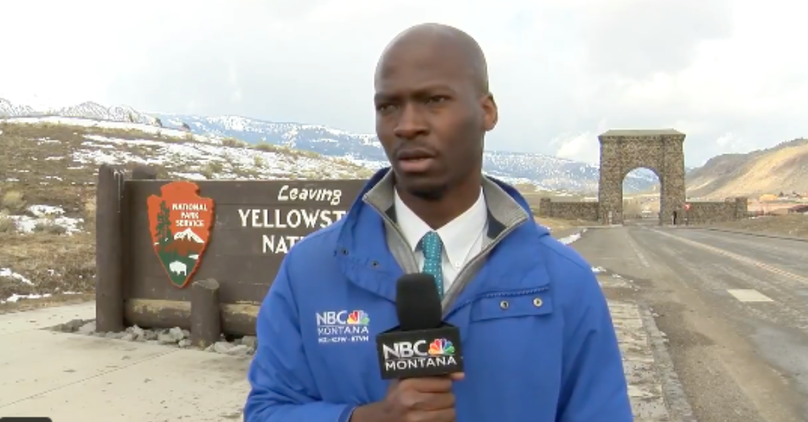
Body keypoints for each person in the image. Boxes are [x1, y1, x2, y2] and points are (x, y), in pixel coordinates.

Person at [244, 23, 633, 422]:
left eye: (434, 100)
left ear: (487, 111)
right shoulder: (309, 271)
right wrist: (366, 419)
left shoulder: (564, 282)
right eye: (388, 106)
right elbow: (267, 411)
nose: (407, 125)